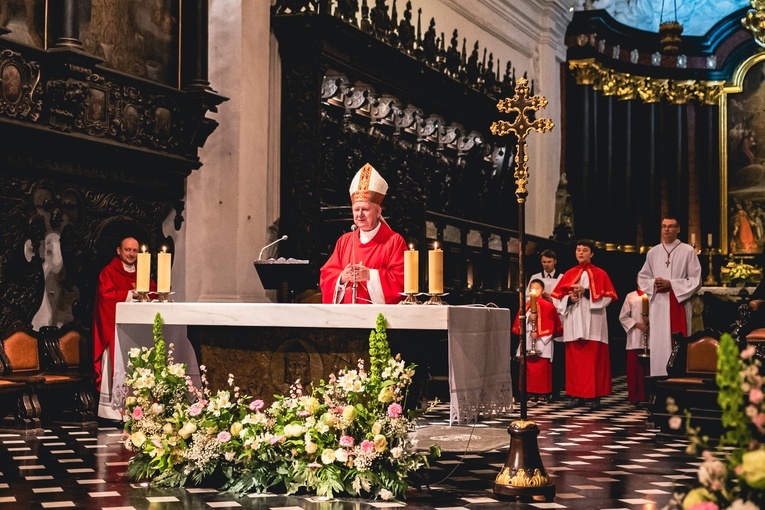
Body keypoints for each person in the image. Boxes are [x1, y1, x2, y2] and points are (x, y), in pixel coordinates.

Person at [320, 163, 406, 304]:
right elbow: (327, 275)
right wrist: (342, 277)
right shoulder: (345, 241)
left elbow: (401, 281)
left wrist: (370, 275)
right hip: (346, 317)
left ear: (378, 211)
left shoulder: (394, 241)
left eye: (365, 209)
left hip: (379, 317)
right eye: (356, 210)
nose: (359, 215)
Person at [551, 239, 617, 411]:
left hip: (592, 321)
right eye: (578, 250)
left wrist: (586, 292)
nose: (580, 253)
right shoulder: (569, 273)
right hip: (574, 320)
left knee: (594, 359)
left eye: (585, 250)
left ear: (592, 254)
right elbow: (557, 299)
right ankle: (576, 395)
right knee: (575, 359)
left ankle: (595, 396)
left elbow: (608, 298)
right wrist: (570, 300)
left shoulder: (600, 273)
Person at [637, 217, 702, 377]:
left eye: (671, 226)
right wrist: (655, 283)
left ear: (678, 229)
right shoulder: (653, 252)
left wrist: (672, 284)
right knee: (659, 343)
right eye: (664, 226)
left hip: (678, 304)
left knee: (677, 342)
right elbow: (642, 277)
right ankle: (658, 380)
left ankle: (678, 379)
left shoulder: (687, 251)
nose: (666, 230)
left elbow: (696, 279)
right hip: (658, 305)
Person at [92, 237, 155, 392]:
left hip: (139, 331)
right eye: (128, 250)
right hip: (115, 330)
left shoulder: (142, 272)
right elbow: (105, 297)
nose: (131, 253)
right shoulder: (109, 272)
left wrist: (150, 295)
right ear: (119, 251)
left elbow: (153, 291)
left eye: (135, 250)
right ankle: (114, 406)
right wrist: (129, 295)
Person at [512, 279, 563, 402]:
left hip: (542, 341)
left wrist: (540, 335)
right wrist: (529, 319)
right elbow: (519, 324)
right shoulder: (525, 306)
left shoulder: (548, 306)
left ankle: (543, 393)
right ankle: (528, 392)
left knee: (541, 368)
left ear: (543, 290)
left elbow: (553, 325)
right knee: (528, 368)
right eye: (532, 288)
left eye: (537, 288)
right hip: (528, 339)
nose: (534, 290)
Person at [526, 249, 565, 400]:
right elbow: (529, 298)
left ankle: (554, 389)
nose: (546, 265)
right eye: (544, 262)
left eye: (549, 262)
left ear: (555, 262)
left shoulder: (562, 278)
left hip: (554, 317)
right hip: (537, 318)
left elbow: (565, 300)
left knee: (555, 357)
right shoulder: (535, 278)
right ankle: (536, 390)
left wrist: (551, 300)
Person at [619, 279, 649, 405]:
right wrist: (637, 324)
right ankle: (635, 396)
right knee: (634, 369)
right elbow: (623, 316)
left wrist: (650, 322)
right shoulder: (630, 296)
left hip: (651, 335)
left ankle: (647, 395)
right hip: (635, 336)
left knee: (648, 369)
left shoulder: (655, 295)